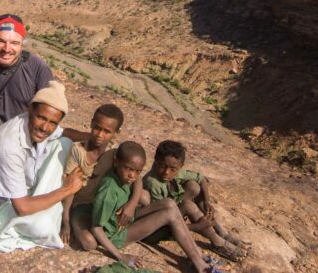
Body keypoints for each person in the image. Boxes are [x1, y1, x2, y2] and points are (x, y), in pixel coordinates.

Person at [91, 141, 222, 273]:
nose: (132, 175)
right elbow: (96, 228)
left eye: (137, 171)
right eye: (129, 169)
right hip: (118, 235)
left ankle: (198, 257)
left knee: (169, 203)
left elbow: (138, 180)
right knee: (169, 214)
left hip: (127, 219)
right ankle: (200, 264)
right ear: (116, 162)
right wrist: (120, 256)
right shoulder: (108, 192)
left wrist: (130, 205)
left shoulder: (124, 174)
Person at [0, 80, 84, 252]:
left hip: (26, 188)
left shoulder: (38, 125)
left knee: (65, 143)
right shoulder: (10, 144)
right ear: (30, 110)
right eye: (41, 118)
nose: (45, 127)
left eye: (53, 122)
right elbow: (22, 207)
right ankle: (34, 219)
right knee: (42, 228)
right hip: (4, 203)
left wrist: (93, 137)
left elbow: (65, 132)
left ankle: (48, 208)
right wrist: (68, 189)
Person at [60, 104, 150, 250]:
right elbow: (69, 189)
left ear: (116, 132)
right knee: (89, 244)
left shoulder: (114, 152)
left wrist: (131, 205)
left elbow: (138, 177)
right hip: (80, 205)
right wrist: (65, 221)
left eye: (107, 131)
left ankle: (125, 224)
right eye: (97, 127)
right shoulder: (79, 151)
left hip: (103, 202)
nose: (99, 135)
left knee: (143, 197)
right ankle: (97, 231)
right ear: (91, 123)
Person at [143, 140, 250, 262]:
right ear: (156, 161)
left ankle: (221, 232)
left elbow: (201, 179)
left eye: (173, 169)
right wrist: (197, 226)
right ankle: (218, 242)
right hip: (153, 231)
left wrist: (207, 202)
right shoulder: (153, 183)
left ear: (180, 167)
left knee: (194, 186)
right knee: (188, 205)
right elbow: (162, 222)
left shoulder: (175, 172)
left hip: (169, 211)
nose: (167, 172)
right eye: (162, 166)